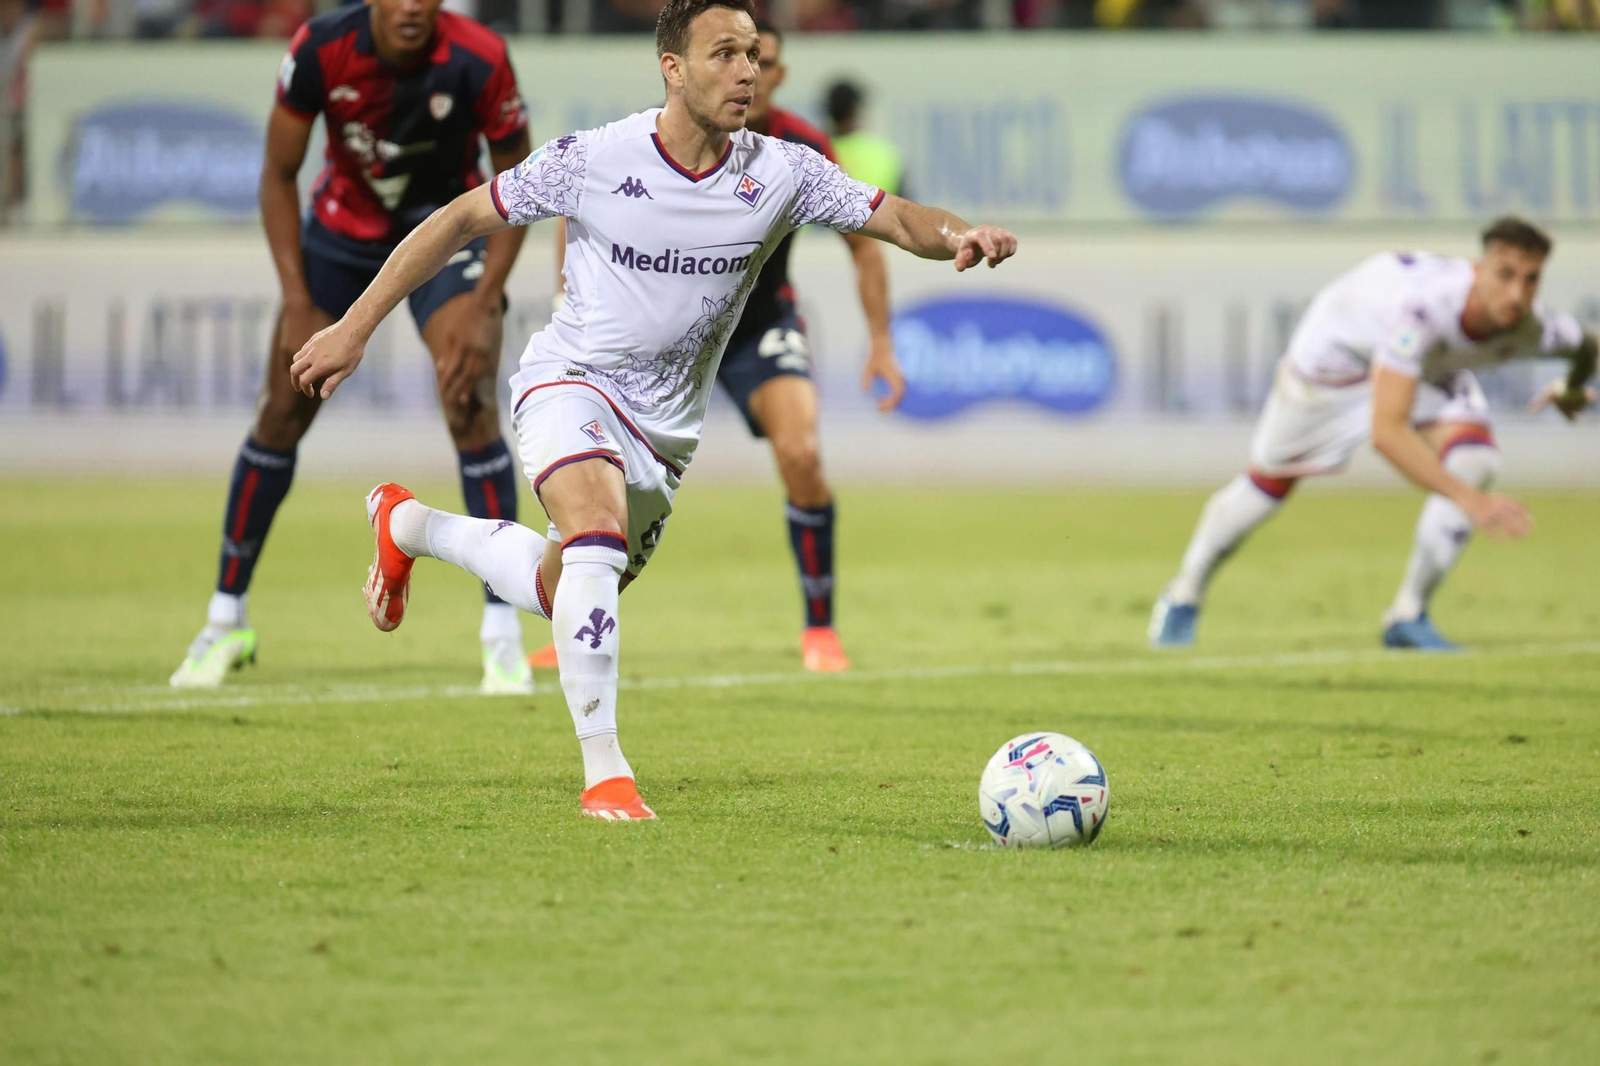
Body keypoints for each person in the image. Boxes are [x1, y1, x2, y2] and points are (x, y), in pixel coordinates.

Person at [286, 0, 1019, 820]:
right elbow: (460, 217)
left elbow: (896, 218)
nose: (745, 71)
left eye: (751, 54)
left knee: (560, 582)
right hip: (570, 381)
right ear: (672, 68)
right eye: (723, 54)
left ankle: (408, 528)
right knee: (594, 534)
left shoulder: (783, 170)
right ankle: (606, 776)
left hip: (664, 435)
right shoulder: (594, 158)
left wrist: (958, 232)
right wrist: (353, 326)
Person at [169, 0, 536, 693]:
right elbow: (278, 175)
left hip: (444, 234)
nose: (411, 6)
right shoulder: (319, 48)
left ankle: (501, 633)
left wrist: (487, 301)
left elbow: (517, 182)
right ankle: (225, 619)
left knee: (468, 396)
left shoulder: (480, 57)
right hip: (340, 236)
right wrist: (296, 295)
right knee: (283, 407)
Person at [526, 21, 902, 675]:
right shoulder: (643, 143)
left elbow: (864, 245)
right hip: (660, 337)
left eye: (763, 60)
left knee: (801, 452)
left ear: (778, 75)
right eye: (733, 55)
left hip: (758, 327)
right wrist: (568, 300)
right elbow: (578, 207)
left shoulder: (799, 151)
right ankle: (570, 618)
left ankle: (820, 628)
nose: (751, 71)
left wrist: (880, 343)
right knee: (609, 508)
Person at [1149, 218, 1597, 651]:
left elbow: (1588, 345)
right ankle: (1183, 595)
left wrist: (1572, 389)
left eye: (1531, 279)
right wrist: (1470, 501)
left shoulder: (1533, 325)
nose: (1517, 293)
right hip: (1338, 357)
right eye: (1505, 275)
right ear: (1478, 270)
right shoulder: (1423, 310)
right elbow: (1387, 433)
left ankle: (1408, 615)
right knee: (1270, 482)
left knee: (1476, 459)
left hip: (1417, 367)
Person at [822, 79, 906, 199]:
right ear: (856, 110)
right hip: (880, 216)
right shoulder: (886, 154)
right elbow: (905, 209)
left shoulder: (813, 152)